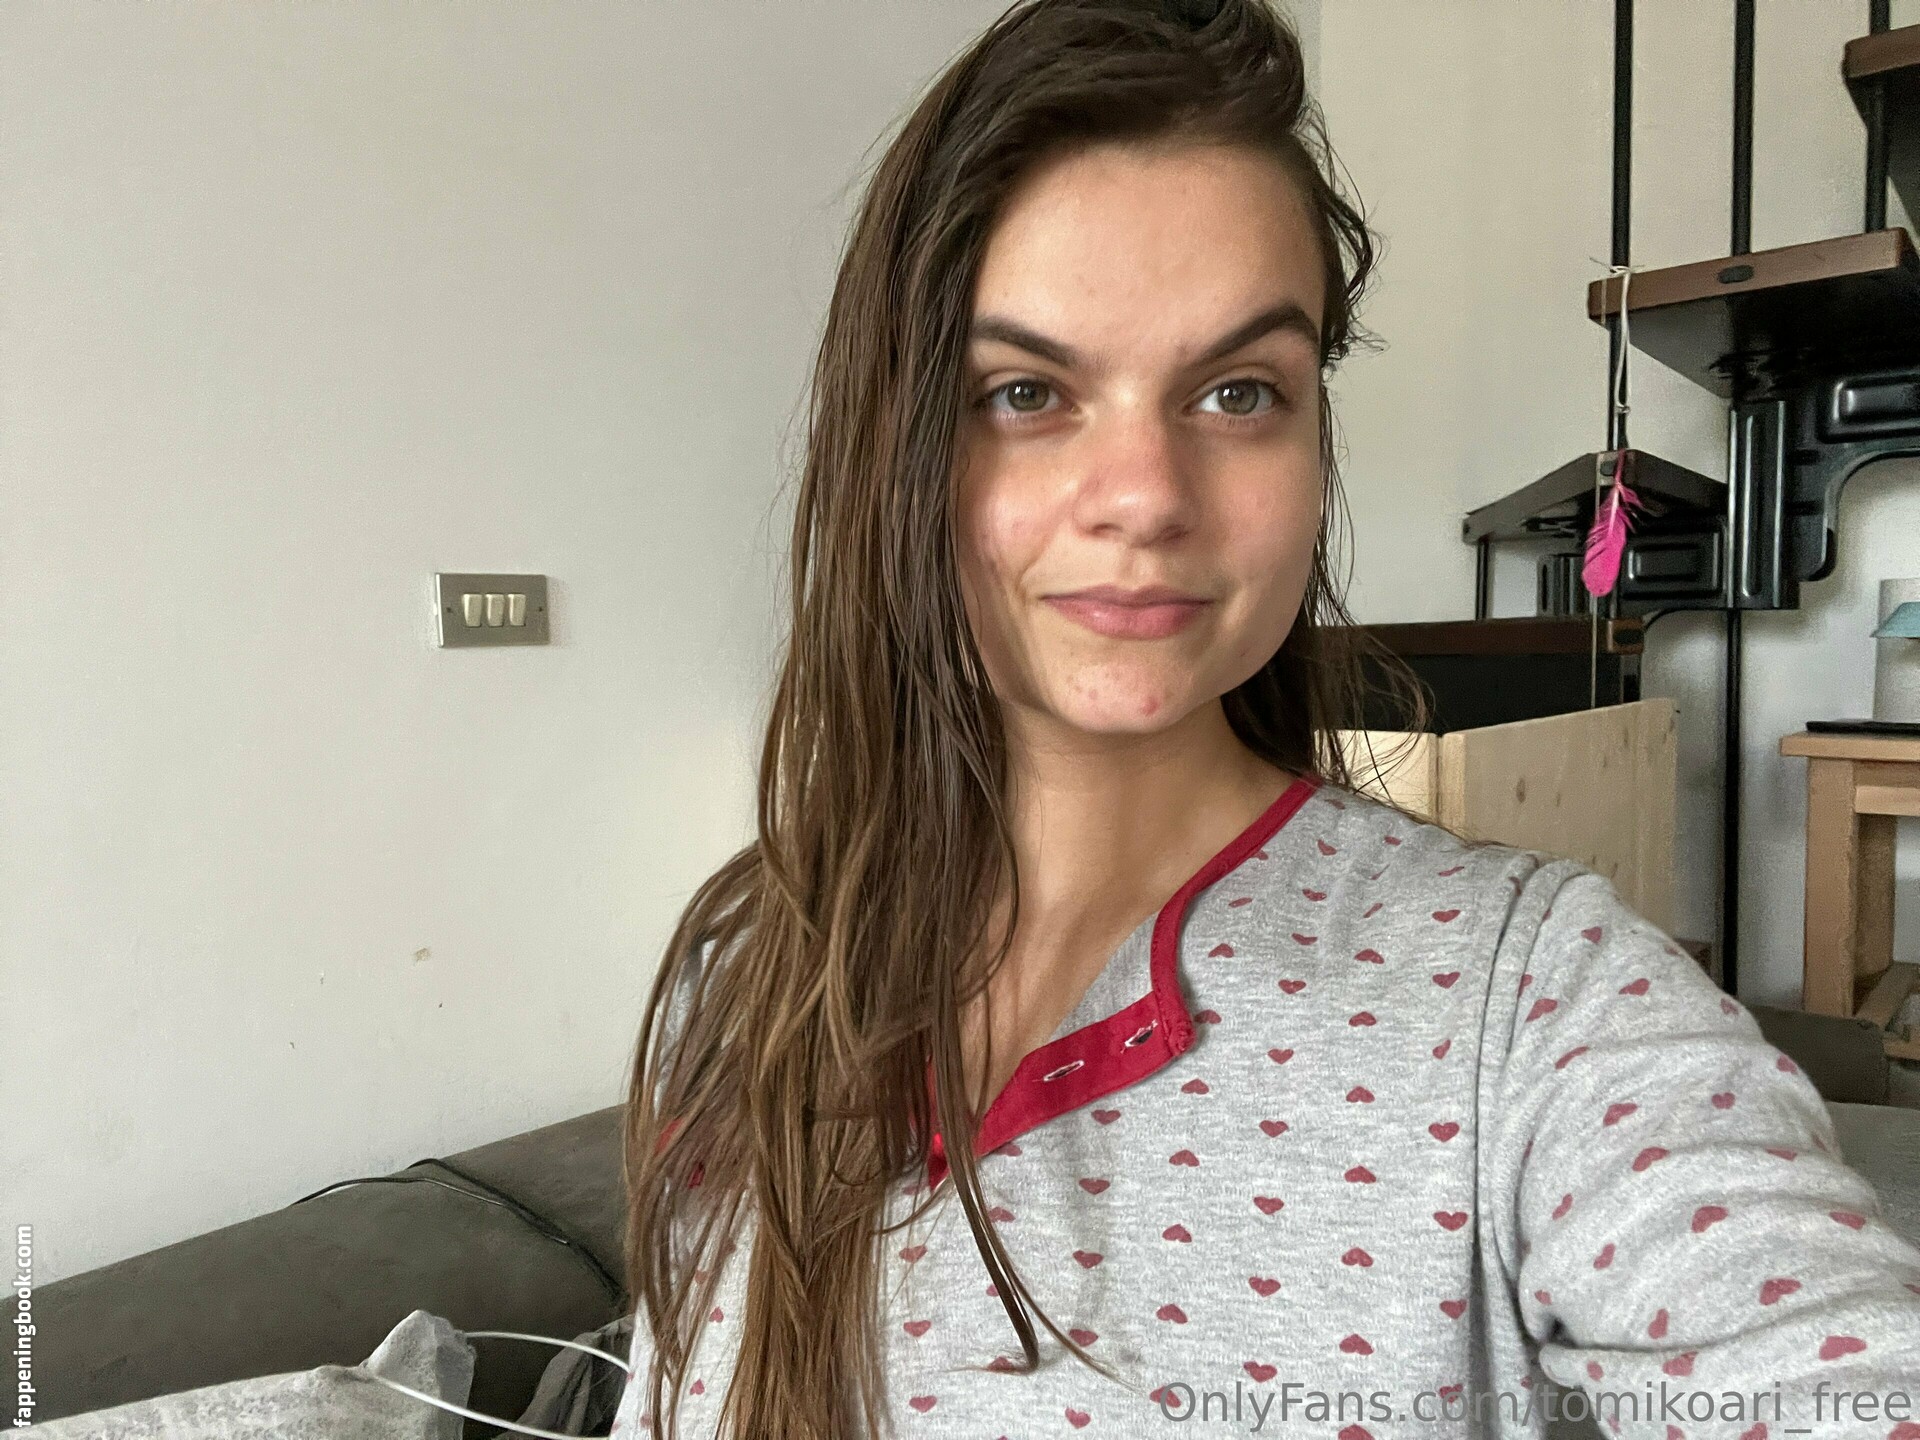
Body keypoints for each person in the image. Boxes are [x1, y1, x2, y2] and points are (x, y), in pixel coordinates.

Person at [610, 1, 1920, 1436]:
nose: (1146, 496)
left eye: (1238, 393)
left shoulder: (1536, 1001)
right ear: (900, 442)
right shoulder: (751, 962)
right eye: (1026, 392)